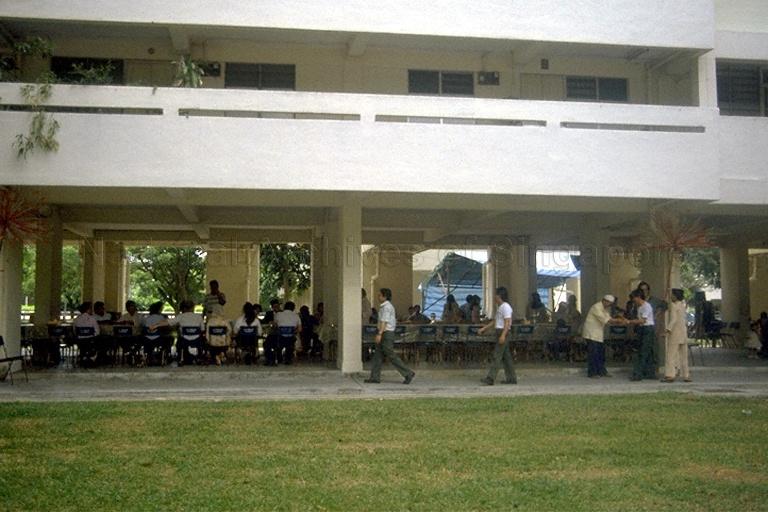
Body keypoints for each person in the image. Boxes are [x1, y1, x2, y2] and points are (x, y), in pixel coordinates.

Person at [364, 288, 415, 384]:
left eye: (380, 295)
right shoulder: (384, 306)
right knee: (377, 355)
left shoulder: (387, 307)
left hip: (386, 333)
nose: (378, 297)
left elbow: (384, 322)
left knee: (390, 354)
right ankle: (375, 377)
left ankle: (407, 373)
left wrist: (379, 334)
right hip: (383, 331)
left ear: (385, 296)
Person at [582, 294, 627, 378]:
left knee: (600, 353)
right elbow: (608, 320)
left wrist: (620, 319)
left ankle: (602, 371)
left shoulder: (604, 309)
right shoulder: (596, 307)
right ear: (604, 301)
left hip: (598, 334)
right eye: (608, 303)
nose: (609, 305)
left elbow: (609, 319)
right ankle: (592, 373)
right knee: (593, 354)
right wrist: (620, 320)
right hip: (591, 334)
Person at [479, 287, 517, 385]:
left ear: (499, 296)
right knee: (506, 357)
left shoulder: (505, 307)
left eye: (495, 295)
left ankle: (490, 378)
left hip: (503, 332)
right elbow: (495, 321)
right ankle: (512, 378)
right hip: (499, 331)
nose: (494, 297)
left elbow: (507, 322)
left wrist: (503, 335)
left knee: (497, 355)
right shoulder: (500, 307)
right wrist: (484, 328)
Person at [152, 300, 205, 366]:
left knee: (178, 339)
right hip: (197, 341)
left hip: (184, 341)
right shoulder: (199, 317)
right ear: (192, 308)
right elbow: (203, 329)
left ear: (184, 308)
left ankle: (181, 357)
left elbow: (168, 322)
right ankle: (199, 357)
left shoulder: (180, 316)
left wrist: (155, 325)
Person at [627, 289, 657, 381]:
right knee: (646, 352)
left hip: (647, 329)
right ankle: (649, 373)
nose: (633, 301)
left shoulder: (646, 306)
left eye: (634, 298)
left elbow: (643, 320)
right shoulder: (639, 307)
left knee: (643, 352)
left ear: (639, 297)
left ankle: (638, 374)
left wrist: (629, 321)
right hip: (641, 329)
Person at [662, 289, 691, 383]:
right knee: (683, 355)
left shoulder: (673, 306)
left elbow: (673, 319)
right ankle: (686, 375)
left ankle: (670, 374)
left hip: (675, 333)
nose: (671, 296)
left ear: (675, 296)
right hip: (683, 332)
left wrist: (667, 330)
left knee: (671, 354)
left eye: (672, 295)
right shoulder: (682, 305)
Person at [140, 301, 172, 365]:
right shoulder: (161, 318)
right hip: (159, 340)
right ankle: (164, 356)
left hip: (146, 340)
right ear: (159, 309)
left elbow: (142, 328)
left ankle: (150, 356)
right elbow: (167, 327)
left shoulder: (146, 318)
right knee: (169, 339)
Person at [73, 301, 100, 366]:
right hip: (90, 341)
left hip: (80, 342)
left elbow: (74, 331)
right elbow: (97, 332)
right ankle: (93, 357)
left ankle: (84, 356)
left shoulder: (77, 319)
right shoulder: (92, 319)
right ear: (88, 309)